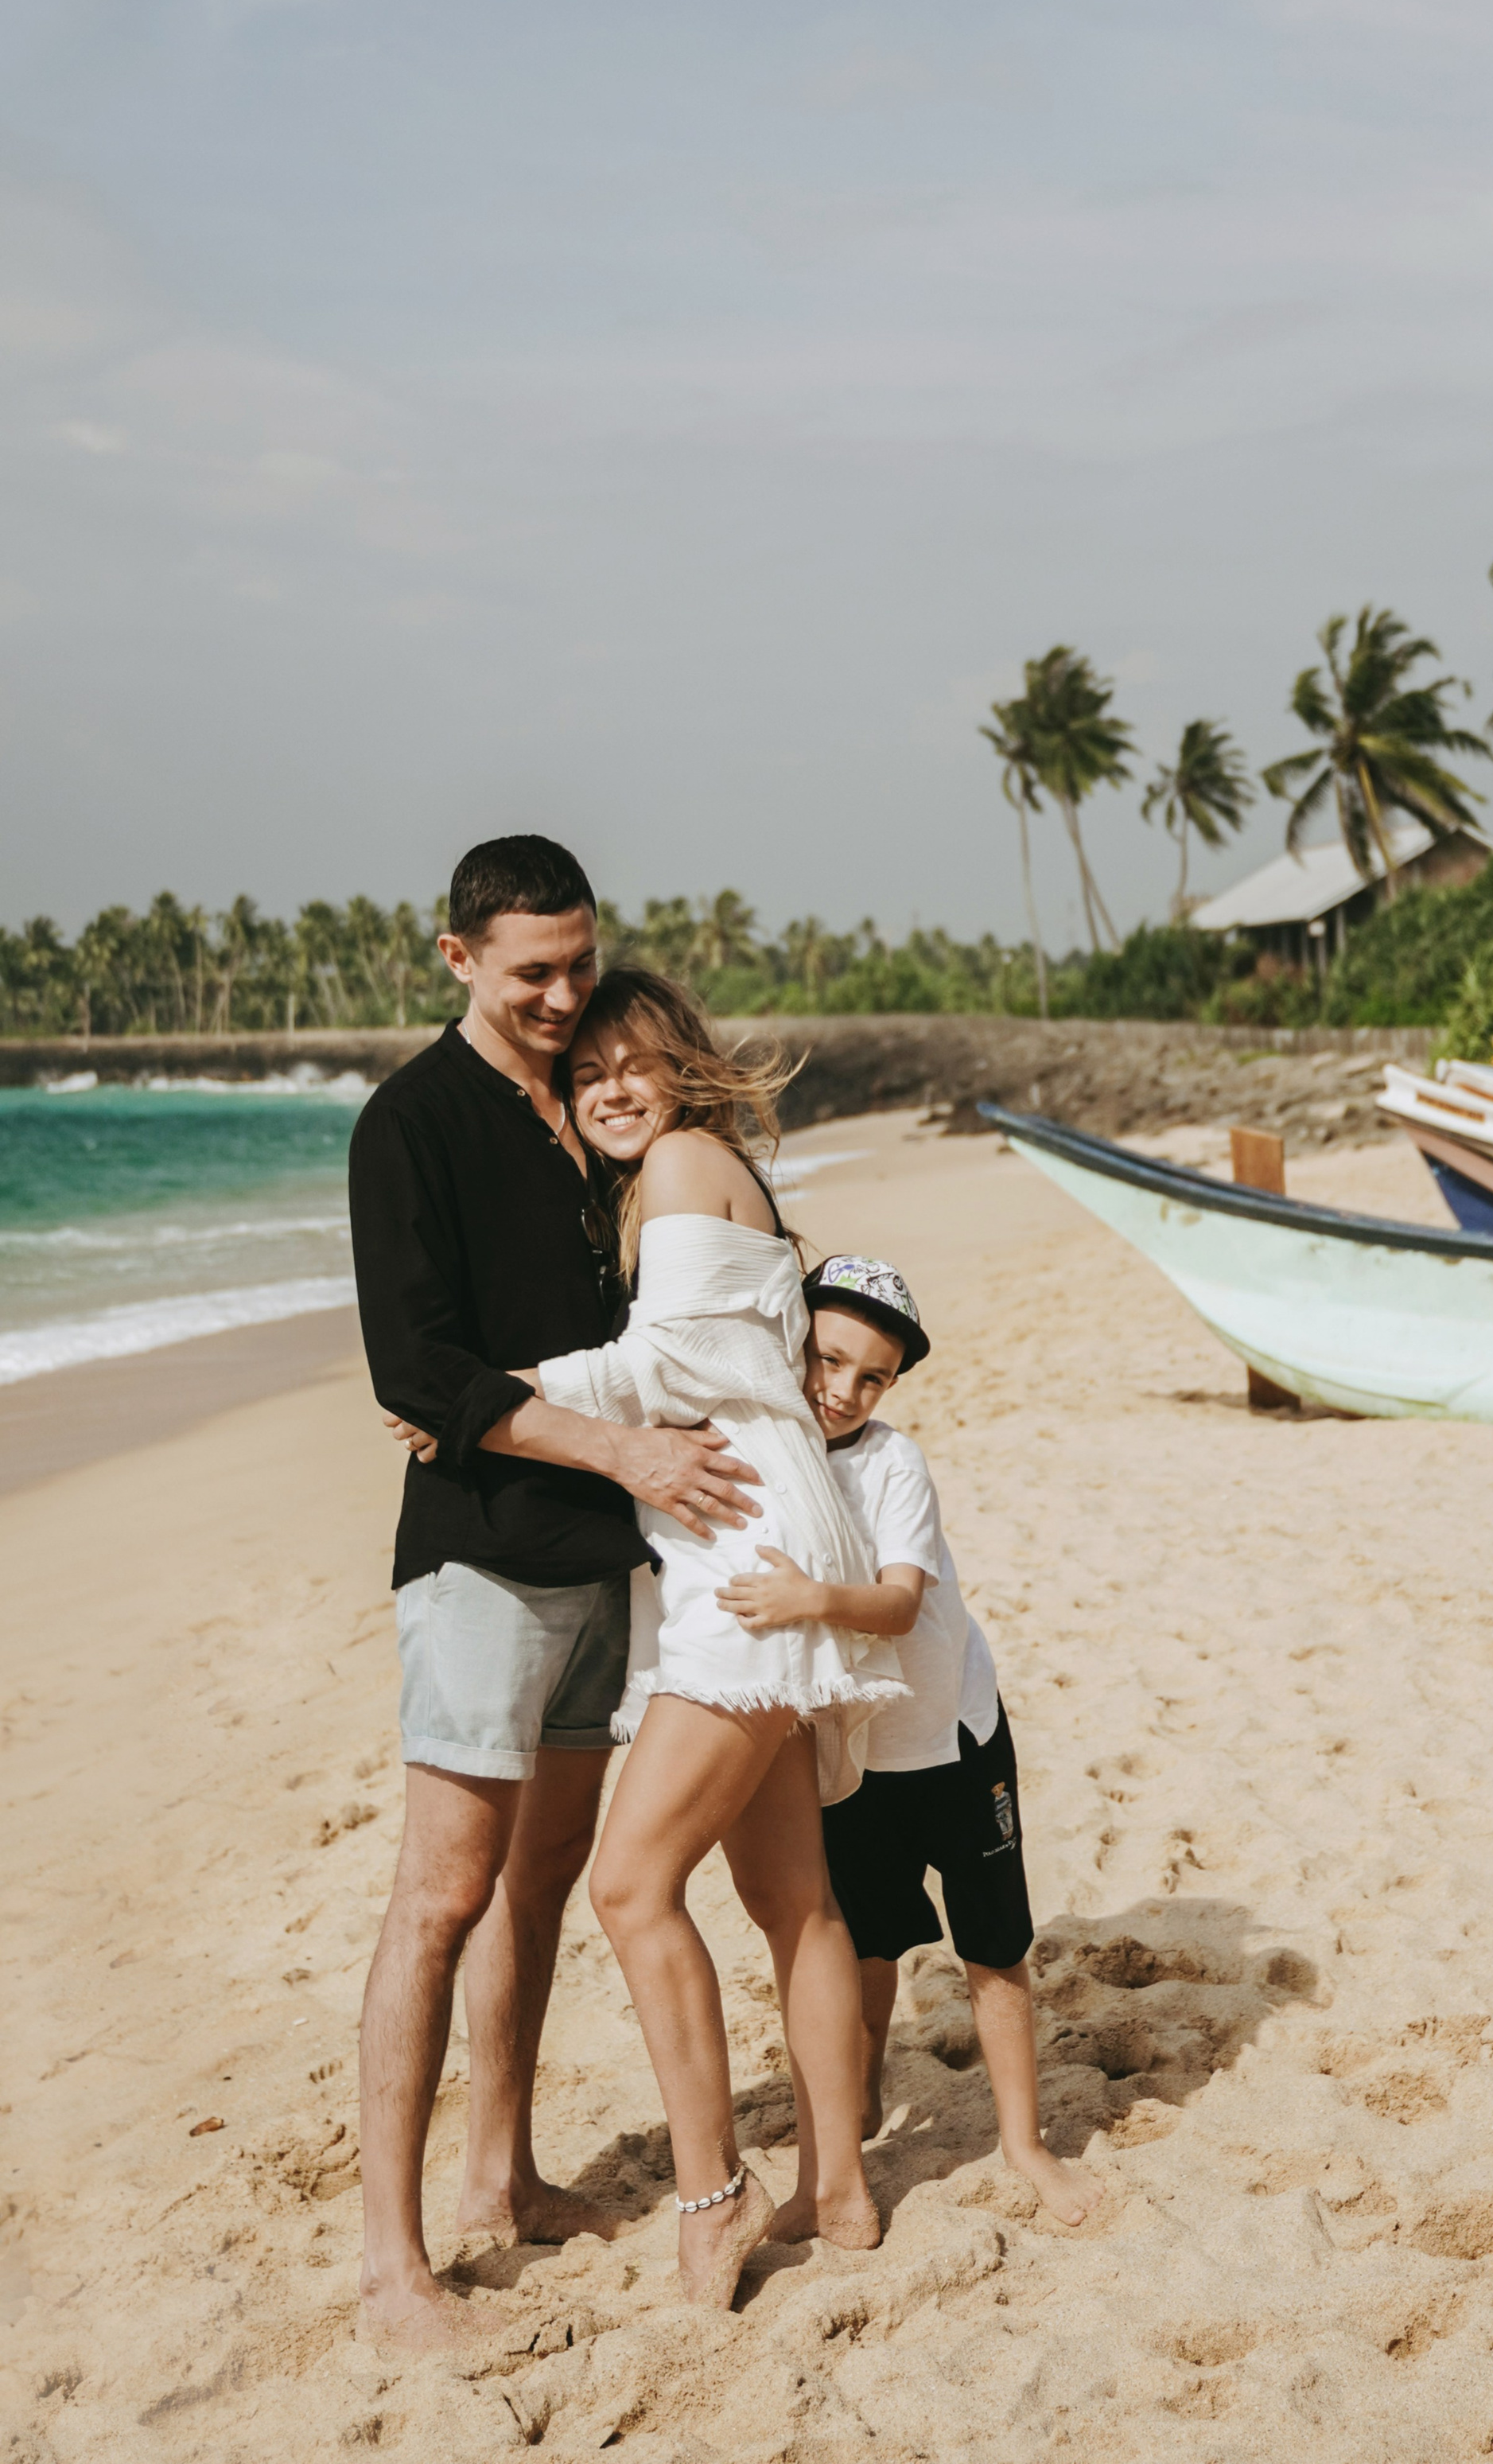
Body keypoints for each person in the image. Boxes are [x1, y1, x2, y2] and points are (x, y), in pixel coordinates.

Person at [348, 837, 761, 2349]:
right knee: (443, 1894)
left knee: (537, 1887)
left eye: (581, 964)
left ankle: (501, 2176)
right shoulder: (409, 1123)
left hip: (609, 1565)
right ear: (456, 958)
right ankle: (395, 2272)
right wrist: (617, 1448)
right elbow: (417, 1369)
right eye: (534, 971)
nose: (564, 995)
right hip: (479, 1558)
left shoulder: (592, 1109)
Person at [527, 968, 909, 2306]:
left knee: (630, 1887)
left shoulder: (686, 1164)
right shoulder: (714, 1170)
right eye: (589, 1074)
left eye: (636, 1063)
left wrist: (497, 1394)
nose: (615, 1089)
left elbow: (668, 1366)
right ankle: (844, 2190)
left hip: (750, 1557)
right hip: (775, 1531)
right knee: (792, 1899)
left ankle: (716, 2193)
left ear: (681, 1068)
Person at [715, 1255, 1103, 2228]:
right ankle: (860, 2100)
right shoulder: (765, 1447)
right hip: (850, 1755)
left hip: (951, 1737)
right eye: (826, 1357)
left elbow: (896, 1602)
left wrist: (807, 1598)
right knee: (864, 1944)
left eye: (870, 1375)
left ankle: (1023, 2141)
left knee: (993, 1945)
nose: (840, 1389)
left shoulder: (893, 1461)